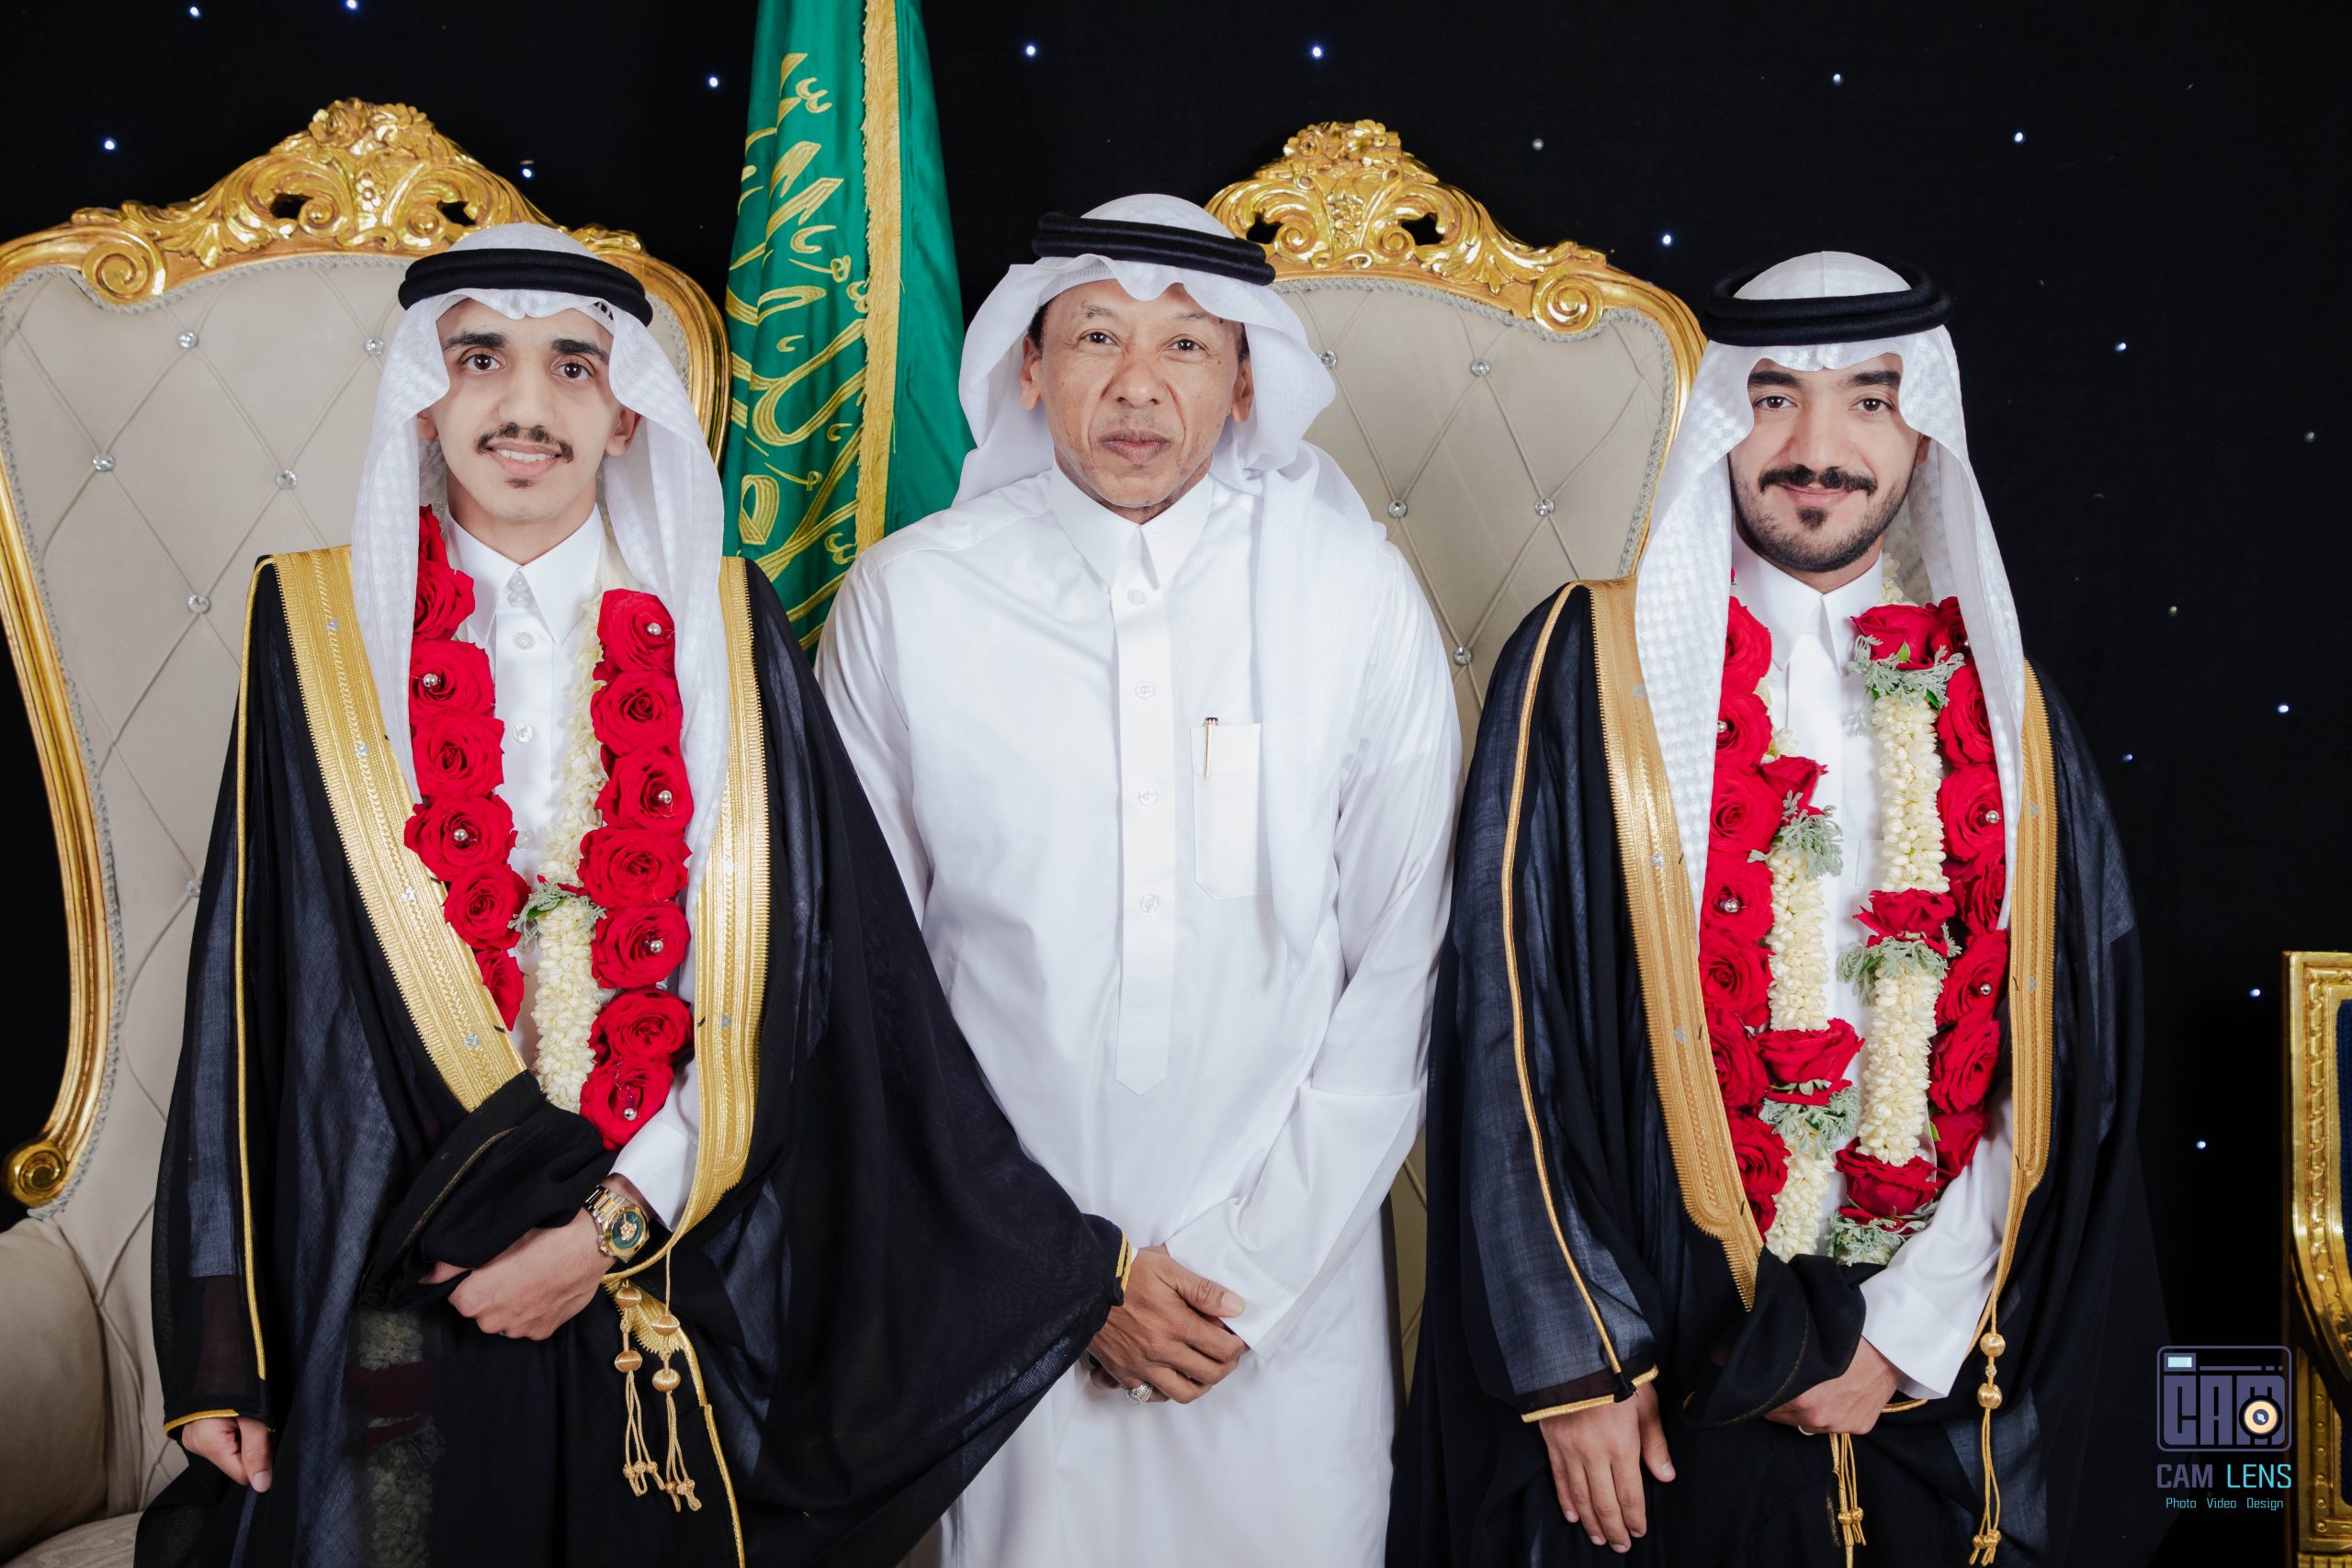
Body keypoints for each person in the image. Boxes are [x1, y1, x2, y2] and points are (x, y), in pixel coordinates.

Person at [145, 223, 1125, 1568]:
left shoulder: (723, 630)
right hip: (399, 1276)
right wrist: (222, 1348)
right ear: (423, 397)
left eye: (574, 365)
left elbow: (796, 976)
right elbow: (251, 987)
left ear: (625, 417)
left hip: (658, 1269)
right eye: (478, 359)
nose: (525, 404)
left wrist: (608, 1226)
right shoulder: (314, 629)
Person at [1389, 253, 2165, 1565]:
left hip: (1927, 1373)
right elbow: (1507, 1024)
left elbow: (2059, 1069)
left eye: (1869, 400)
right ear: (1719, 425)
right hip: (1655, 1380)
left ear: (1924, 430)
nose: (1817, 449)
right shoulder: (1588, 671)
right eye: (1772, 400)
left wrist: (1905, 1335)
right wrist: (1577, 1359)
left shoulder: (2007, 708)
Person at [818, 197, 1461, 1568]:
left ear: (1244, 384)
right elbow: (869, 988)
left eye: (1185, 345)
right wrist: (1063, 1278)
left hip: (1279, 1314)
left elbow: (1406, 965)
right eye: (1097, 336)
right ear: (1029, 365)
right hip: (1005, 1293)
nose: (1136, 385)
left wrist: (1250, 1271)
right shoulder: (907, 602)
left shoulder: (1351, 596)